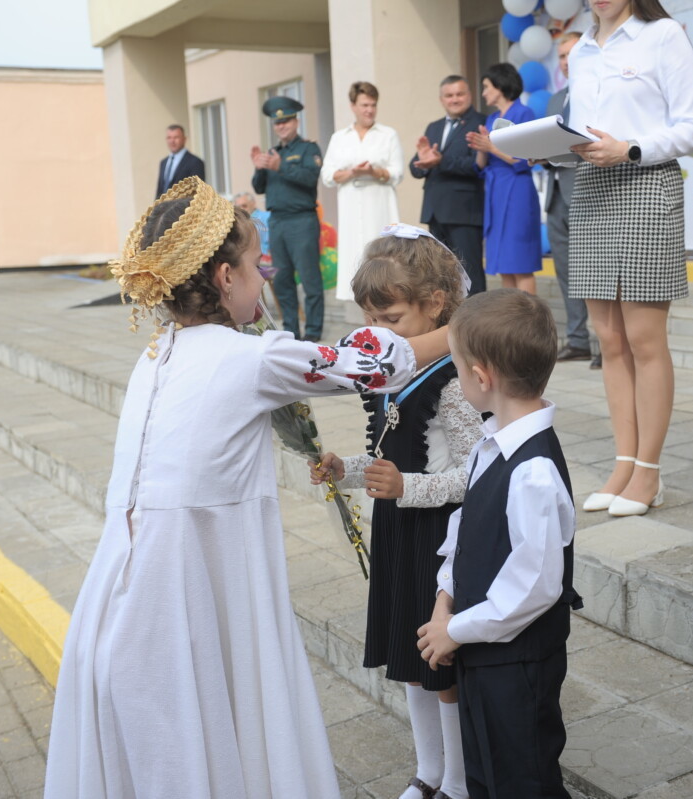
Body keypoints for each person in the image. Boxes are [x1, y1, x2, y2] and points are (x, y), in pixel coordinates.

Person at [44, 177, 450, 799]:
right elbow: (373, 362)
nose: (266, 275)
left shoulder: (156, 353)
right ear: (224, 279)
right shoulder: (250, 359)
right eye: (256, 263)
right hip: (189, 591)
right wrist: (465, 329)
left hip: (123, 592)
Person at [311, 225, 482, 799]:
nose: (380, 336)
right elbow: (388, 457)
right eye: (371, 323)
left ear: (435, 305)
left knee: (440, 665)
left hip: (436, 534)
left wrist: (408, 488)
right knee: (410, 660)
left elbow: (476, 475)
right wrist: (347, 469)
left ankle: (458, 781)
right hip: (397, 531)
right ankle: (428, 771)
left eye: (392, 322)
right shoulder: (389, 375)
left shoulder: (452, 379)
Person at [417, 289, 581, 799]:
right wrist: (446, 598)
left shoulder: (532, 469)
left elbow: (533, 585)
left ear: (481, 377)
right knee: (484, 766)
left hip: (517, 666)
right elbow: (466, 527)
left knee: (522, 777)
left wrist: (457, 629)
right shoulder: (491, 444)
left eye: (457, 366)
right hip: (480, 651)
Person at [565, 0, 693, 517]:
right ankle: (624, 463)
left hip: (646, 184)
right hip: (590, 189)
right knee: (608, 339)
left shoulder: (662, 35)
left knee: (645, 339)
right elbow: (581, 132)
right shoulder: (579, 50)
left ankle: (649, 472)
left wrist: (630, 148)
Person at [320, 82, 404, 302]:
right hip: (350, 210)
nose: (369, 110)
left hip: (379, 207)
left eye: (373, 105)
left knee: (384, 263)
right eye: (365, 105)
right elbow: (328, 175)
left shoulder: (388, 135)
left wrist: (373, 171)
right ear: (353, 106)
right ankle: (365, 328)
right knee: (355, 265)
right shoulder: (339, 137)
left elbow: (397, 172)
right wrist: (353, 173)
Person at [251, 96, 324, 341]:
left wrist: (280, 166)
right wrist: (260, 166)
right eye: (277, 123)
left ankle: (313, 333)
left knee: (309, 279)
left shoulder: (308, 149)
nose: (281, 126)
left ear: (296, 121)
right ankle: (291, 330)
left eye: (286, 121)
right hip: (278, 222)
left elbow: (310, 178)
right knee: (282, 280)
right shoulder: (273, 152)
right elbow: (259, 187)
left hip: (302, 221)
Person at [465, 64, 541, 294]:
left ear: (500, 86)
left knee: (521, 262)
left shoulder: (523, 113)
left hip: (517, 189)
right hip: (495, 190)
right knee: (506, 264)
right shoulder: (491, 119)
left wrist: (491, 146)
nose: (484, 92)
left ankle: (529, 320)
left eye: (487, 87)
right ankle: (512, 321)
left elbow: (524, 158)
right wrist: (480, 146)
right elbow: (482, 162)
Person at [409, 76, 487, 295]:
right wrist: (422, 162)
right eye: (449, 95)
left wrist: (440, 160)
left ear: (469, 95)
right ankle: (446, 327)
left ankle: (476, 328)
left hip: (464, 212)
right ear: (441, 99)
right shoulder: (433, 127)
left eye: (459, 94)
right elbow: (415, 169)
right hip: (435, 212)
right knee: (438, 276)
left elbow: (476, 165)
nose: (455, 99)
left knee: (470, 276)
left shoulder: (481, 122)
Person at [544, 32, 592, 363]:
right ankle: (577, 340)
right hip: (556, 193)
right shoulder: (554, 100)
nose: (564, 61)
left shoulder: (596, 94)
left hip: (588, 192)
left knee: (594, 271)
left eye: (570, 53)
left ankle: (604, 344)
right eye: (560, 56)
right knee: (567, 272)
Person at [155, 124, 205, 198]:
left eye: (176, 137)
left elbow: (196, 192)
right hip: (164, 209)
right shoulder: (163, 162)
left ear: (184, 139)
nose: (172, 141)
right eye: (169, 138)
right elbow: (160, 191)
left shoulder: (195, 162)